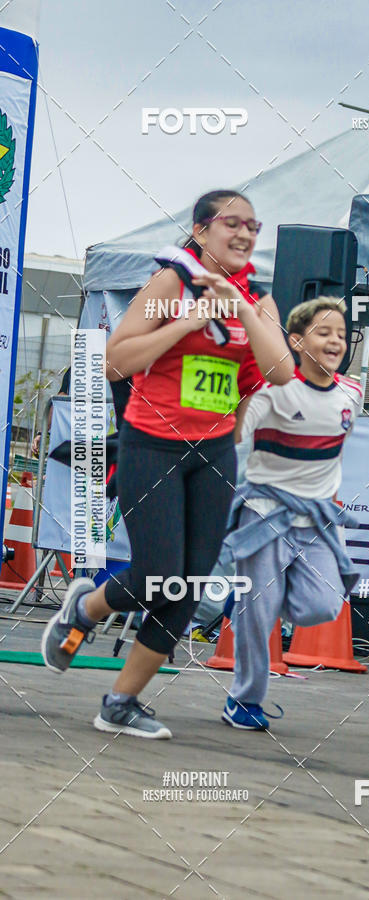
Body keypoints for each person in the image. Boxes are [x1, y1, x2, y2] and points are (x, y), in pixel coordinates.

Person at [41, 189, 294, 739]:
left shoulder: (260, 300)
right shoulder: (171, 284)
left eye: (253, 225)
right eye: (233, 223)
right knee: (158, 574)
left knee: (189, 584)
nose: (246, 234)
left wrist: (242, 307)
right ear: (201, 231)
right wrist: (188, 321)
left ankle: (119, 702)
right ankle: (87, 608)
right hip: (153, 445)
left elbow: (279, 372)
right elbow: (114, 362)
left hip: (215, 454)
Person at [218, 296, 362, 730]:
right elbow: (239, 432)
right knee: (259, 613)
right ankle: (244, 701)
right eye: (323, 332)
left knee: (321, 605)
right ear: (296, 342)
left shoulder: (352, 392)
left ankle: (241, 601)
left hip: (316, 522)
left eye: (340, 333)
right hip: (264, 516)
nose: (335, 340)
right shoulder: (272, 391)